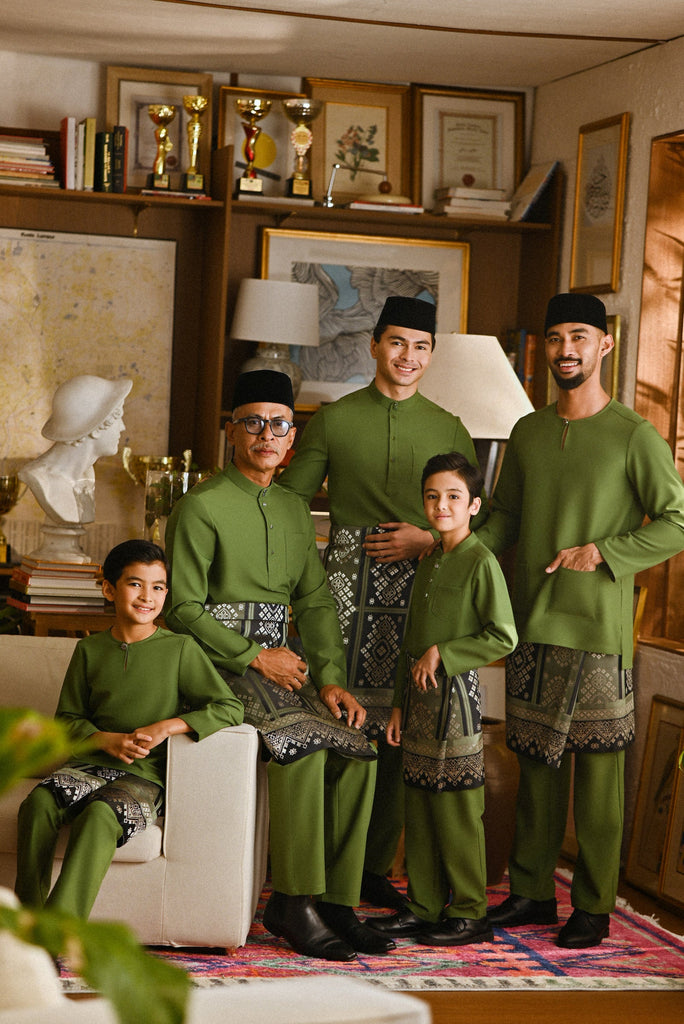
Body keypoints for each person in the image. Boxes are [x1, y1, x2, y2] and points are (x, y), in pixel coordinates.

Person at [164, 369, 393, 963]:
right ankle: (293, 901)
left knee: (357, 742)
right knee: (302, 743)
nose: (267, 434)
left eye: (280, 425)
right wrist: (253, 655)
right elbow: (182, 607)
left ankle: (337, 903)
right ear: (231, 431)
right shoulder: (200, 506)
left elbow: (314, 601)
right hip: (217, 663)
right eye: (254, 423)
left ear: (293, 438)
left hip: (282, 664)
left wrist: (332, 679)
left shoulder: (294, 509)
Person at [478, 292, 684, 948]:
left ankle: (593, 904)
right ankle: (532, 893)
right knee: (536, 767)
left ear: (604, 345)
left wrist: (605, 552)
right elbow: (506, 519)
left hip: (597, 631)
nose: (565, 349)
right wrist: (456, 546)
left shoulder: (634, 435)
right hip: (530, 623)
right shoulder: (529, 432)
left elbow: (677, 521)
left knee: (598, 778)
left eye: (579, 336)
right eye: (555, 337)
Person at [278, 295, 485, 910]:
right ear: (374, 345)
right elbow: (289, 500)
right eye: (397, 342)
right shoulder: (335, 419)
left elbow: (469, 516)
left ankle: (372, 868)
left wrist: (427, 539)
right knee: (335, 712)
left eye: (421, 346)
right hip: (343, 585)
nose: (407, 356)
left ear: (431, 354)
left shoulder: (450, 426)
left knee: (402, 723)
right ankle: (317, 868)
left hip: (422, 584)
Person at [15, 539, 243, 918]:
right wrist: (106, 740)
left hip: (144, 775)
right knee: (37, 804)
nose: (147, 597)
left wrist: (167, 727)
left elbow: (229, 707)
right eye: (135, 584)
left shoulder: (181, 650)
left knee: (99, 816)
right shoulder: (88, 651)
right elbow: (67, 720)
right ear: (109, 589)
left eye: (158, 587)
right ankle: (26, 920)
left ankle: (58, 930)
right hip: (87, 765)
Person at [366, 453, 517, 946]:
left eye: (453, 496)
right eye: (432, 497)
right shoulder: (429, 558)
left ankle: (470, 913)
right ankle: (424, 906)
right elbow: (410, 638)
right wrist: (397, 705)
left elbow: (503, 636)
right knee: (420, 805)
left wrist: (443, 653)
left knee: (455, 809)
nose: (441, 505)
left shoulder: (481, 561)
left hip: (456, 700)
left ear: (474, 505)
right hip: (417, 701)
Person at [19, 375, 132, 526]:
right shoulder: (41, 479)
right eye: (118, 418)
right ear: (95, 428)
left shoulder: (87, 476)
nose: (123, 427)